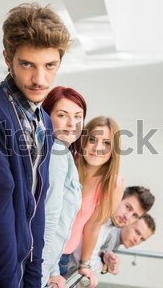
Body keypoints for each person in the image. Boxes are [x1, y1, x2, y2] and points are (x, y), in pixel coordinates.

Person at [0, 3, 71, 287]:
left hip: (22, 269)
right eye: (27, 64)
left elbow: (37, 206)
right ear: (8, 59)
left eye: (50, 65)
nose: (39, 79)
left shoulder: (43, 120)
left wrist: (32, 278)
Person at [58, 116, 123, 288]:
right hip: (35, 245)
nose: (97, 148)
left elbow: (93, 226)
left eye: (106, 143)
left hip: (62, 256)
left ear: (113, 150)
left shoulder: (113, 185)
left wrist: (84, 264)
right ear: (84, 141)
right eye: (92, 140)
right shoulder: (65, 162)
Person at [40, 87, 87, 288]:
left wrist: (54, 271)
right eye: (62, 115)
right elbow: (49, 218)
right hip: (37, 269)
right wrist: (42, 273)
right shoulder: (57, 151)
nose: (72, 124)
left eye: (78, 117)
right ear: (47, 117)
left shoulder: (65, 155)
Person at [68, 213, 156, 277]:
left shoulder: (115, 240)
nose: (137, 240)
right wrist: (106, 268)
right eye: (137, 232)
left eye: (142, 239)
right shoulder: (110, 233)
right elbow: (84, 258)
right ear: (129, 222)